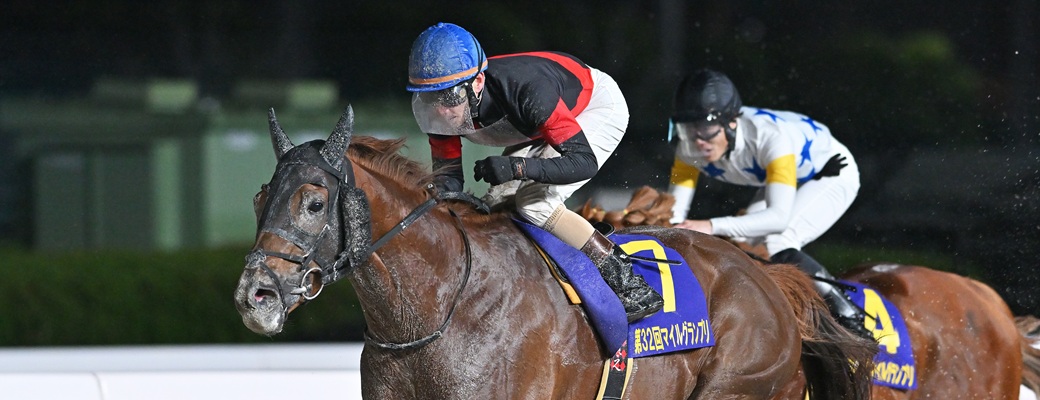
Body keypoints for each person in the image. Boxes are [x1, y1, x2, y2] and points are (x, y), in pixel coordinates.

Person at [406, 22, 663, 322]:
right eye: (431, 98)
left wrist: (516, 167)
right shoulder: (447, 105)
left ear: (477, 83)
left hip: (593, 108)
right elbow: (448, 183)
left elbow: (583, 162)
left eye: (450, 97)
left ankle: (625, 278)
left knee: (534, 203)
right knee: (494, 203)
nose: (441, 111)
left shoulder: (527, 91)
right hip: (536, 124)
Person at [665, 68, 872, 339]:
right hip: (786, 177)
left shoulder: (771, 137)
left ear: (732, 122)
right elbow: (674, 213)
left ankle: (849, 318)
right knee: (745, 243)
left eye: (707, 128)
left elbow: (778, 218)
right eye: (689, 129)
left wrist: (710, 225)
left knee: (778, 240)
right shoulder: (688, 148)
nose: (698, 140)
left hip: (831, 173)